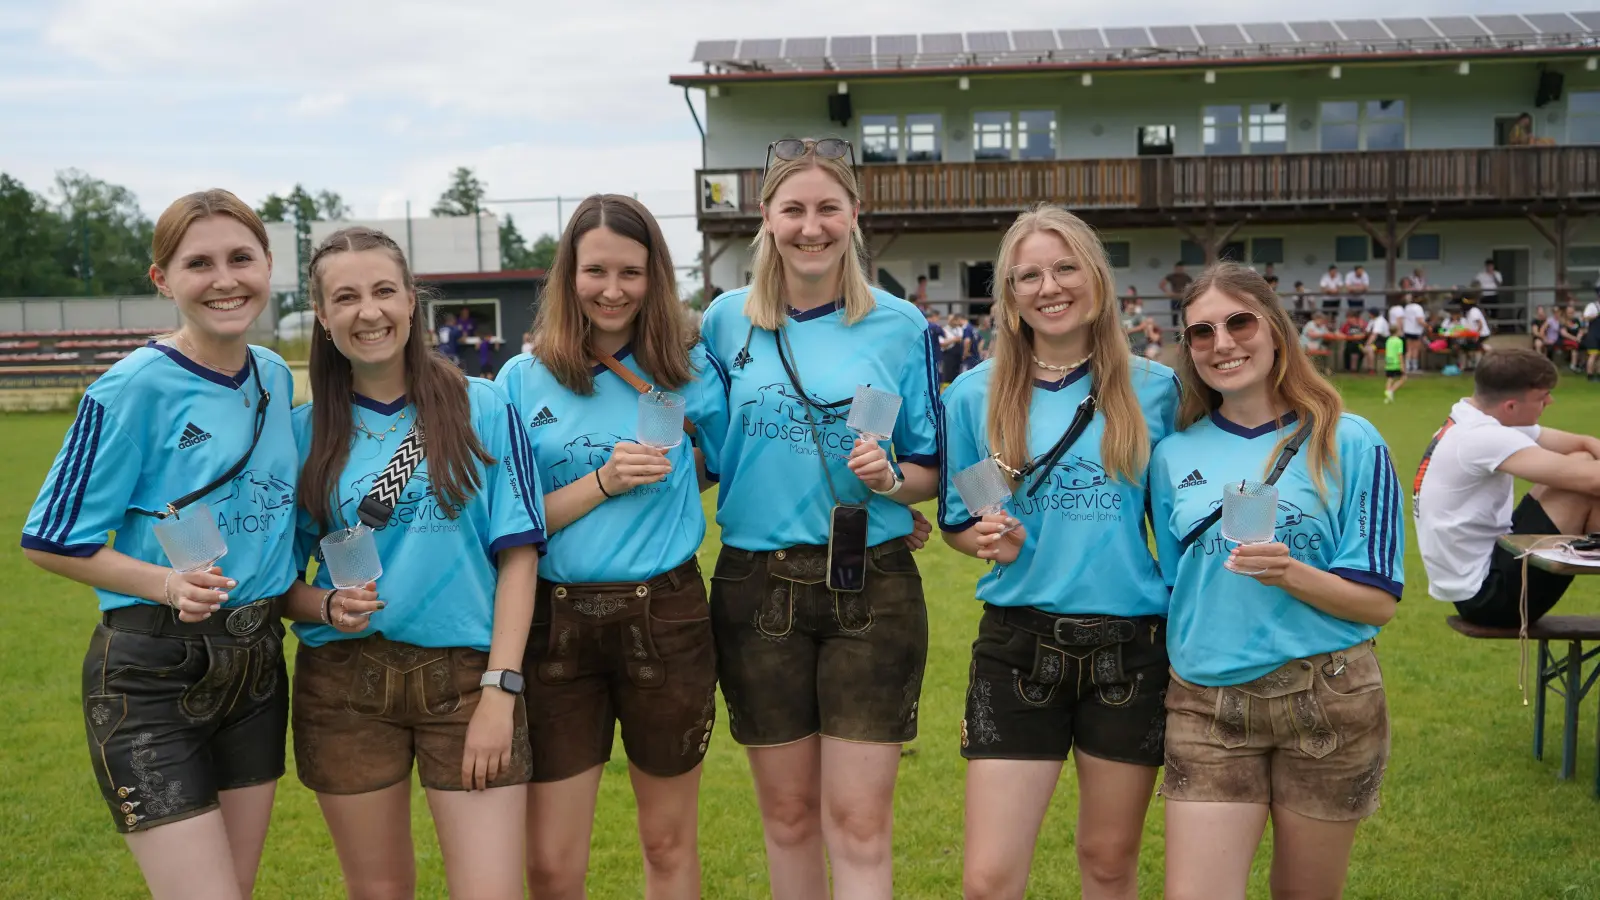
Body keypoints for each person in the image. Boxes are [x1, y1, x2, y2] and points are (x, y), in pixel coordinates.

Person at [21, 190, 299, 900]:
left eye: (242, 258)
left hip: (258, 668)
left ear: (269, 264)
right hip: (151, 675)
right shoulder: (130, 389)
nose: (225, 279)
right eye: (198, 263)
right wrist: (168, 585)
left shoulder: (271, 373)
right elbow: (49, 540)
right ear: (162, 280)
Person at [697, 136, 942, 900]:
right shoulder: (723, 322)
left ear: (854, 215)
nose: (812, 226)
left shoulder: (901, 327)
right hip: (755, 589)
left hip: (872, 586)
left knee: (861, 824)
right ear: (765, 217)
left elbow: (931, 469)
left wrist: (895, 481)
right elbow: (701, 453)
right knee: (791, 817)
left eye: (828, 208)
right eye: (793, 208)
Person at [287, 226, 545, 898]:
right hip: (345, 685)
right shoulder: (300, 433)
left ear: (411, 301)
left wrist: (500, 688)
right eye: (345, 297)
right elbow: (275, 585)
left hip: (467, 682)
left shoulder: (484, 406)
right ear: (322, 315)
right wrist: (325, 605)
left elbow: (519, 557)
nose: (367, 311)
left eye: (382, 291)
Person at [940, 205, 1180, 900]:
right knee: (988, 879)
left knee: (1108, 865)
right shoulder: (972, 396)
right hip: (1018, 647)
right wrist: (983, 538)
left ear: (1096, 277)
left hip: (1130, 651)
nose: (1050, 287)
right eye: (1030, 275)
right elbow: (963, 522)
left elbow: (1178, 525)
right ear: (1009, 295)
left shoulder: (1157, 390)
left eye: (1066, 267)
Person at [495, 194, 728, 899]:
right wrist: (602, 482)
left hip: (668, 617)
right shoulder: (518, 380)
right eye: (595, 270)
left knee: (666, 844)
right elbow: (510, 521)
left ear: (656, 276)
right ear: (568, 276)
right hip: (555, 625)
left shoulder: (691, 369)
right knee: (554, 862)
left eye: (632, 271)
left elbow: (731, 466)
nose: (613, 289)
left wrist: (891, 513)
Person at [1150, 261, 1403, 900]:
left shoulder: (1350, 440)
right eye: (1201, 333)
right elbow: (1178, 583)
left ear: (1275, 330)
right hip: (1208, 703)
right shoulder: (1173, 453)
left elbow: (1376, 603)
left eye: (1240, 322)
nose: (1223, 343)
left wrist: (1290, 572)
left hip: (1328, 696)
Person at [1415, 349, 1600, 628]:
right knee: (1582, 486)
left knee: (1581, 463)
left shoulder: (1471, 417)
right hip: (1490, 597)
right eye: (1542, 396)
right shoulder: (1482, 437)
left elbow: (1583, 444)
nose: (1550, 401)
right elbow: (1592, 480)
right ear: (1511, 406)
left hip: (1482, 575)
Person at [1459, 296, 1492, 371]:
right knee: (1464, 346)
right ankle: (1465, 366)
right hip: (1472, 335)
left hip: (1482, 334)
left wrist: (1477, 335)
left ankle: (1478, 366)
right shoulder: (1467, 313)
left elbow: (1480, 324)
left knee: (1476, 347)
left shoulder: (1474, 311)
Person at [1402, 293, 1428, 373]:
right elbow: (1419, 320)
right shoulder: (1418, 308)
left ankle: (1407, 367)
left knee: (1409, 349)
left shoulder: (1407, 307)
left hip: (1407, 330)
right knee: (1415, 349)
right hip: (1415, 331)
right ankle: (1414, 367)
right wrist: (1428, 326)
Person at [1364, 304, 1391, 375]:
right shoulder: (1372, 320)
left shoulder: (1380, 321)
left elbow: (1374, 335)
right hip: (1377, 340)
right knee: (1363, 348)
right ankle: (1368, 368)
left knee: (1369, 349)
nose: (1368, 315)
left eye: (1369, 313)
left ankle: (1371, 369)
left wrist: (1367, 344)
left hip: (1383, 341)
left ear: (1373, 314)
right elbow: (1367, 331)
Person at [1383, 331, 1407, 403]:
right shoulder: (1399, 341)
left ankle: (1388, 398)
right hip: (1396, 362)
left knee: (1390, 379)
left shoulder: (1388, 340)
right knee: (1403, 378)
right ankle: (1391, 391)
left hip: (1389, 362)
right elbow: (1399, 353)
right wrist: (1402, 364)